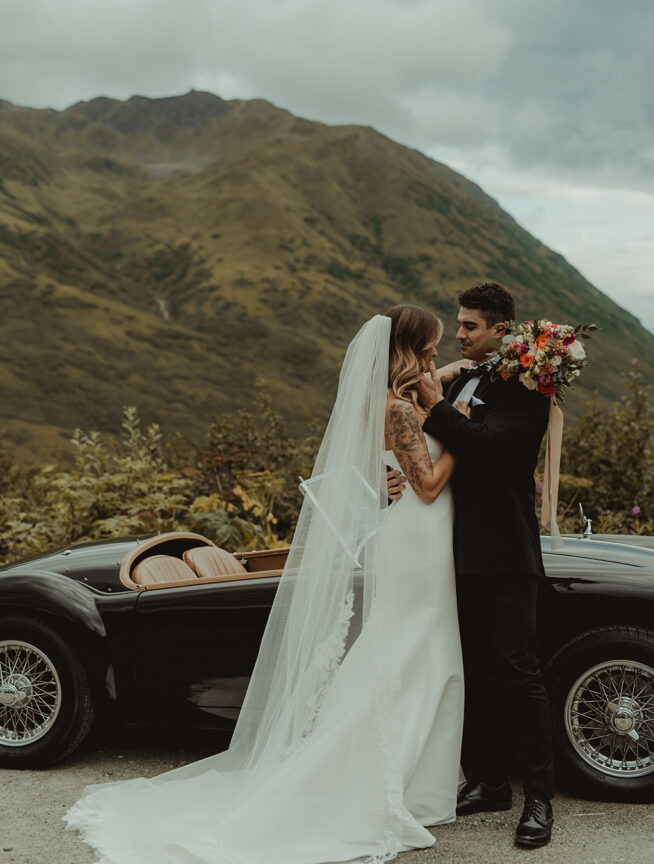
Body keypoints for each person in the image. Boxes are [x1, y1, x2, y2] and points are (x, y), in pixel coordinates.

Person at [65, 306, 466, 864]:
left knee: (423, 653)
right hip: (417, 538)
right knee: (410, 652)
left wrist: (448, 389)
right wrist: (462, 434)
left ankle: (417, 784)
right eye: (429, 349)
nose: (434, 358)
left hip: (420, 538)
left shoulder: (396, 401)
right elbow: (424, 485)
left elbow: (398, 448)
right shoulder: (398, 407)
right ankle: (380, 781)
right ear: (408, 349)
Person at [413, 281, 555, 850]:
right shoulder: (466, 375)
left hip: (504, 549)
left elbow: (489, 448)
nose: (461, 333)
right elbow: (442, 450)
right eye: (460, 323)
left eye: (470, 325)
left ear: (501, 329)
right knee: (472, 667)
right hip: (455, 548)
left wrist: (434, 405)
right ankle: (490, 781)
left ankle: (540, 799)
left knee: (519, 673)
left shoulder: (529, 385)